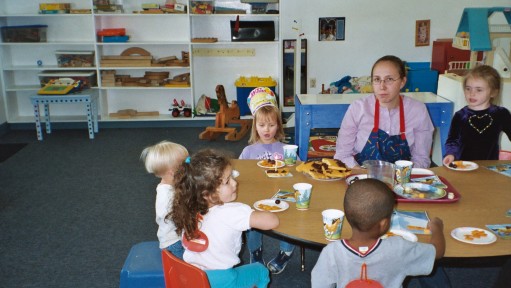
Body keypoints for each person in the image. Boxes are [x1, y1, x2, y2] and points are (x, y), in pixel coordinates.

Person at [169, 149, 279, 287]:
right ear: (207, 193)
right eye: (227, 181)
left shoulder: (188, 207)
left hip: (191, 276)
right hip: (221, 280)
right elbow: (271, 222)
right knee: (261, 270)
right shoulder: (232, 212)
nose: (235, 183)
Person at [311, 179, 446, 287]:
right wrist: (436, 227)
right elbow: (437, 252)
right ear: (384, 224)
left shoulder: (331, 252)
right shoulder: (398, 248)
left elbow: (319, 283)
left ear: (347, 215)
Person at [334, 55, 434, 168]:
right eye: (377, 79)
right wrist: (361, 173)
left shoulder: (418, 110)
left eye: (389, 79)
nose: (382, 86)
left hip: (402, 178)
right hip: (363, 176)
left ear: (402, 82)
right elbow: (342, 155)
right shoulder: (358, 108)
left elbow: (422, 158)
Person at [239, 87, 296, 274]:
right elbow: (238, 173)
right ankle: (255, 252)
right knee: (251, 217)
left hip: (282, 193)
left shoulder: (286, 148)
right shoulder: (248, 152)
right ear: (255, 126)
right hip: (257, 195)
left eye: (271, 125)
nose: (267, 130)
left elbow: (298, 171)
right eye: (262, 125)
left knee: (289, 217)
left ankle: (286, 252)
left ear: (278, 125)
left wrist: (295, 164)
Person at [443, 65, 511, 165]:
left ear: (493, 92)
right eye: (468, 89)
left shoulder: (501, 114)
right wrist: (451, 154)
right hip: (464, 166)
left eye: (479, 90)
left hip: (489, 168)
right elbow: (452, 140)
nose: (472, 94)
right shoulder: (460, 115)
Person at [140, 140, 189, 259]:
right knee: (187, 269)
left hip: (179, 237)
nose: (190, 166)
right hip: (174, 243)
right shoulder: (165, 195)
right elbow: (170, 217)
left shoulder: (175, 183)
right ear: (173, 173)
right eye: (187, 163)